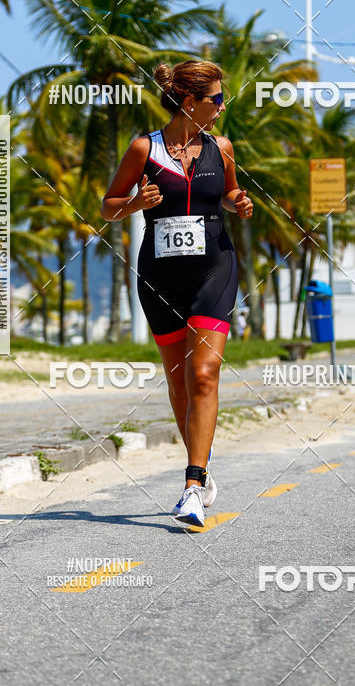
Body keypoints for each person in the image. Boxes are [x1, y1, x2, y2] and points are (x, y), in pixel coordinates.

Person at [101, 60, 253, 528]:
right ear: (190, 101)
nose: (223, 106)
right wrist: (134, 204)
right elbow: (108, 208)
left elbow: (225, 193)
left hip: (215, 268)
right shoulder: (144, 148)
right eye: (217, 99)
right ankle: (201, 471)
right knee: (179, 382)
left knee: (204, 373)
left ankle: (192, 483)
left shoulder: (220, 147)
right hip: (160, 276)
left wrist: (237, 201)